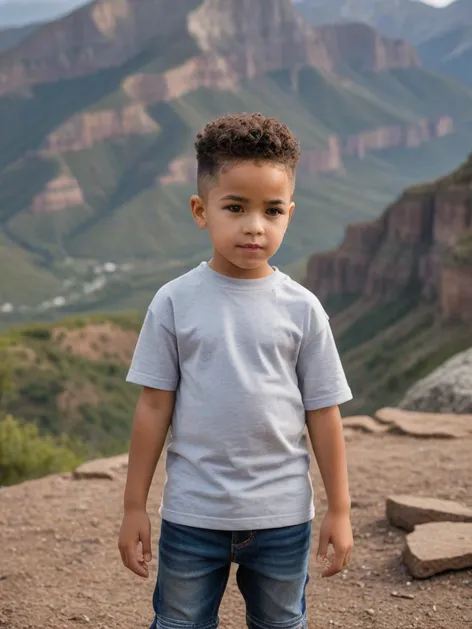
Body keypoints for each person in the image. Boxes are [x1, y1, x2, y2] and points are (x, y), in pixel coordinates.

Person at [118, 112, 354, 629]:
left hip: (283, 517)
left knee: (280, 623)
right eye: (235, 207)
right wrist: (135, 505)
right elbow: (154, 406)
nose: (255, 225)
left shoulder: (303, 309)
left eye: (272, 210)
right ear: (201, 211)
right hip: (192, 514)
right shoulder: (175, 302)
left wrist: (340, 507)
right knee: (180, 623)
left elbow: (323, 412)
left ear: (289, 213)